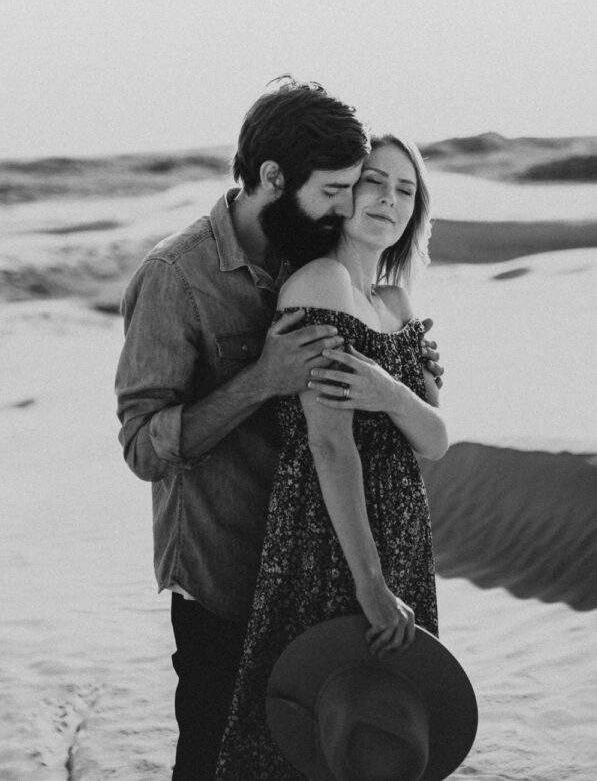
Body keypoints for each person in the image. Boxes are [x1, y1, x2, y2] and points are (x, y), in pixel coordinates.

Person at [115, 80, 443, 780]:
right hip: (224, 560)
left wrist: (401, 368)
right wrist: (262, 378)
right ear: (272, 178)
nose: (347, 207)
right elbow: (144, 445)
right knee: (216, 753)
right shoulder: (177, 277)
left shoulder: (307, 251)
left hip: (313, 555)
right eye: (335, 191)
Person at [215, 133, 446, 779]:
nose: (388, 199)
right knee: (319, 731)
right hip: (331, 543)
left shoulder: (395, 302)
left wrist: (390, 391)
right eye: (374, 181)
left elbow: (435, 439)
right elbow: (328, 444)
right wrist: (369, 586)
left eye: (405, 189)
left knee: (384, 728)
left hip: (401, 537)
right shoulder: (319, 284)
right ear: (343, 193)